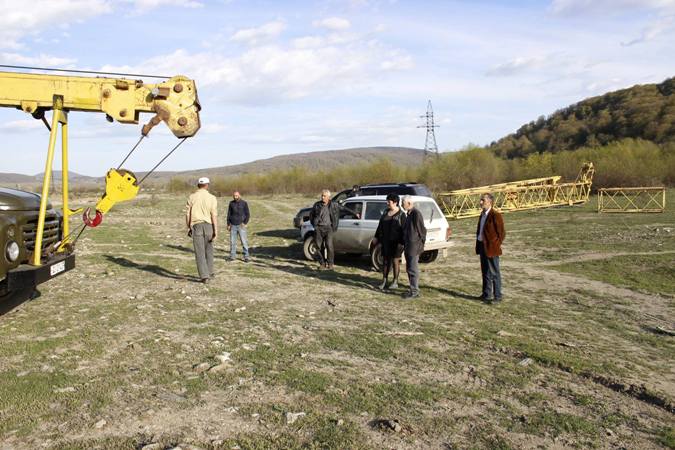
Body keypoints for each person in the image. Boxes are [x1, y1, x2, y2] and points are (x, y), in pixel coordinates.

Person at [186, 177, 218, 283]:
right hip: (209, 226)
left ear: (198, 185)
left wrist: (188, 227)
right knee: (209, 251)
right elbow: (214, 215)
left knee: (200, 253)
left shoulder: (192, 197)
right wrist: (215, 231)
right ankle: (210, 272)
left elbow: (188, 214)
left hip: (197, 226)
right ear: (207, 185)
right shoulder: (212, 198)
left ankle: (204, 276)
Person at [475, 193, 505, 304]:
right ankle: (487, 294)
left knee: (494, 273)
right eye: (481, 200)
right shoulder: (482, 215)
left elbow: (501, 233)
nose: (481, 202)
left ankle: (497, 296)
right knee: (485, 272)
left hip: (492, 248)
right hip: (482, 246)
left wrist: (495, 244)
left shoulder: (495, 215)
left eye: (483, 200)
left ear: (490, 202)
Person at [373, 193, 405, 291]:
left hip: (397, 243)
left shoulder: (401, 215)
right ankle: (384, 280)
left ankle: (395, 281)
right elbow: (380, 226)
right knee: (386, 262)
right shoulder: (386, 212)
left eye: (389, 201)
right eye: (387, 201)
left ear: (395, 202)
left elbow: (404, 230)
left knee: (395, 261)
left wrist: (403, 243)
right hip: (385, 242)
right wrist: (376, 236)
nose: (387, 203)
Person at [401, 195, 426, 299]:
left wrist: (420, 244)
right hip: (408, 245)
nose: (402, 205)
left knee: (413, 269)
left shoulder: (416, 214)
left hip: (414, 246)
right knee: (409, 269)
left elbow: (422, 231)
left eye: (403, 203)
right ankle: (412, 289)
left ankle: (415, 292)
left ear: (409, 204)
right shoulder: (409, 214)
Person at [309, 189, 339, 270]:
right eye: (322, 195)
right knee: (319, 247)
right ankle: (322, 263)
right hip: (319, 228)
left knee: (329, 246)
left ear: (329, 197)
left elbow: (339, 213)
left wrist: (355, 213)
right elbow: (311, 216)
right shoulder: (317, 205)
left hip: (329, 228)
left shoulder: (333, 205)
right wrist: (314, 226)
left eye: (324, 196)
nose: (322, 197)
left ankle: (330, 264)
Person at [227, 191, 250, 262]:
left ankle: (246, 256)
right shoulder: (231, 203)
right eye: (234, 196)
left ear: (239, 195)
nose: (235, 197)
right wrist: (228, 224)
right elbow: (229, 214)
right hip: (233, 225)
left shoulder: (244, 203)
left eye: (236, 195)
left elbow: (248, 214)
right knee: (232, 242)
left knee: (244, 242)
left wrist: (244, 223)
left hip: (241, 225)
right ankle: (232, 256)